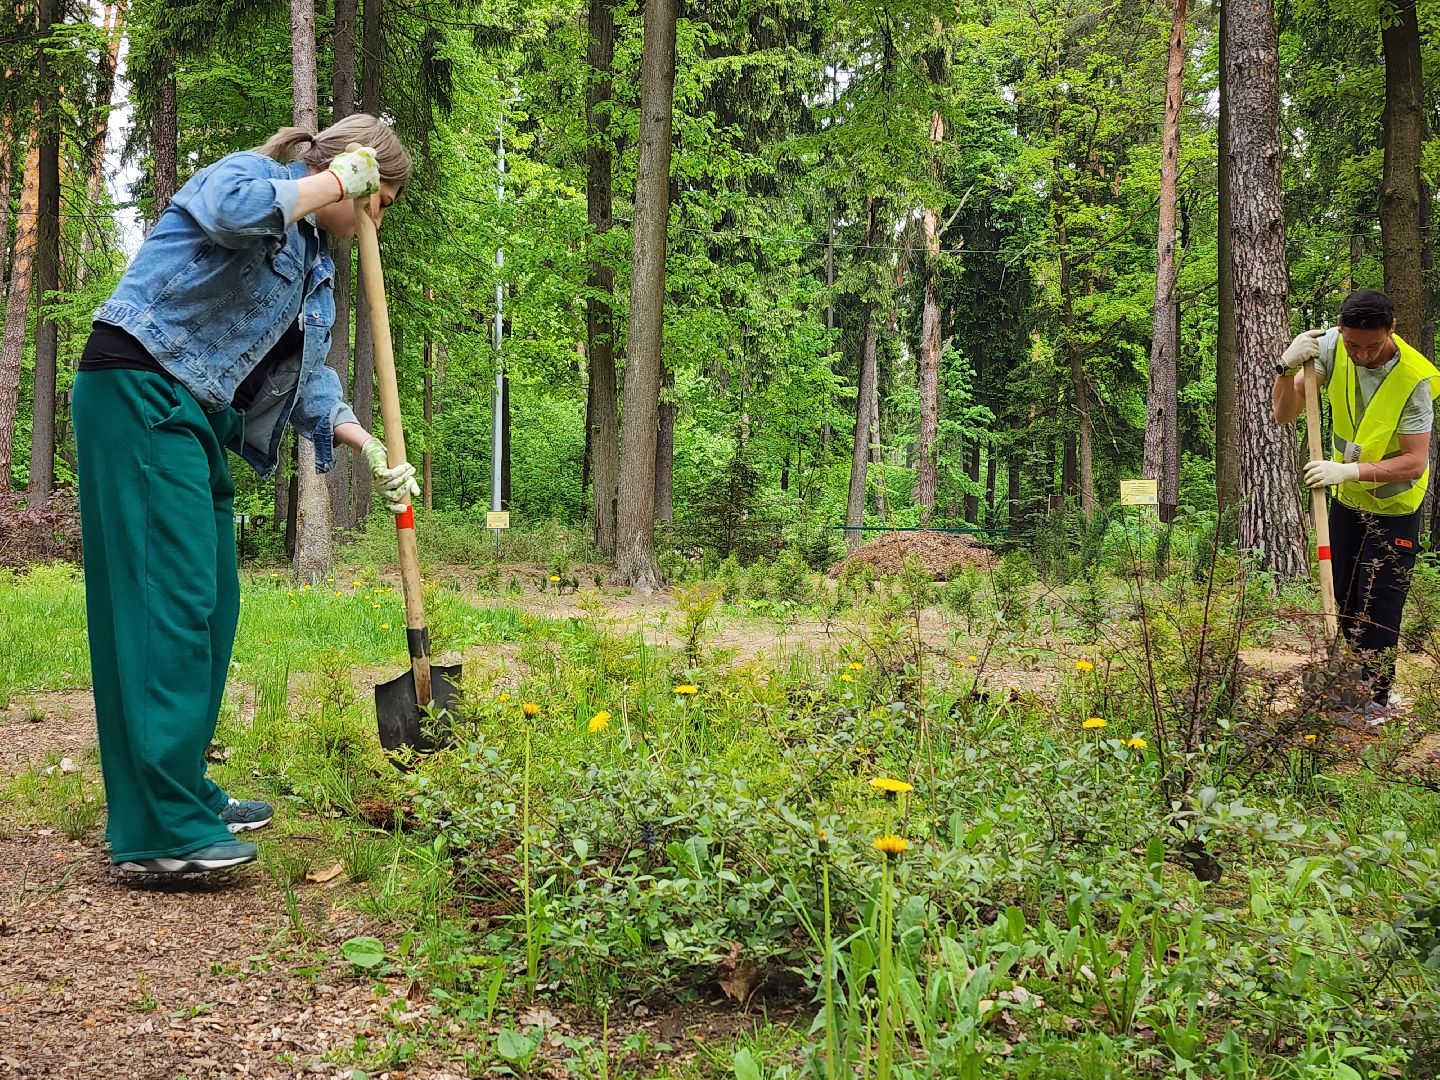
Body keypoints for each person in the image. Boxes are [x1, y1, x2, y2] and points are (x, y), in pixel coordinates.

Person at [72, 115, 421, 876]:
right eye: (379, 202)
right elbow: (231, 214)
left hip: (193, 409)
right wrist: (334, 183)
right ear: (353, 171)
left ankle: (184, 791)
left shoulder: (316, 266)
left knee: (210, 604)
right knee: (167, 604)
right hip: (138, 388)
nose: (373, 220)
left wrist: (371, 448)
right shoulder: (246, 176)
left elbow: (306, 380)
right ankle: (160, 831)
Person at [1272, 289, 1440, 712]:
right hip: (1348, 503)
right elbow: (1284, 413)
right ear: (1341, 331)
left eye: (1372, 345)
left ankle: (1377, 702)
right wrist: (1283, 366)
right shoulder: (1328, 347)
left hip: (1395, 507)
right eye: (1353, 345)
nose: (1362, 355)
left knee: (1379, 604)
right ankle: (1350, 689)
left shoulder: (1414, 380)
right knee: (1344, 599)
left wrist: (1348, 470)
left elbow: (1415, 463)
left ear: (1392, 330)